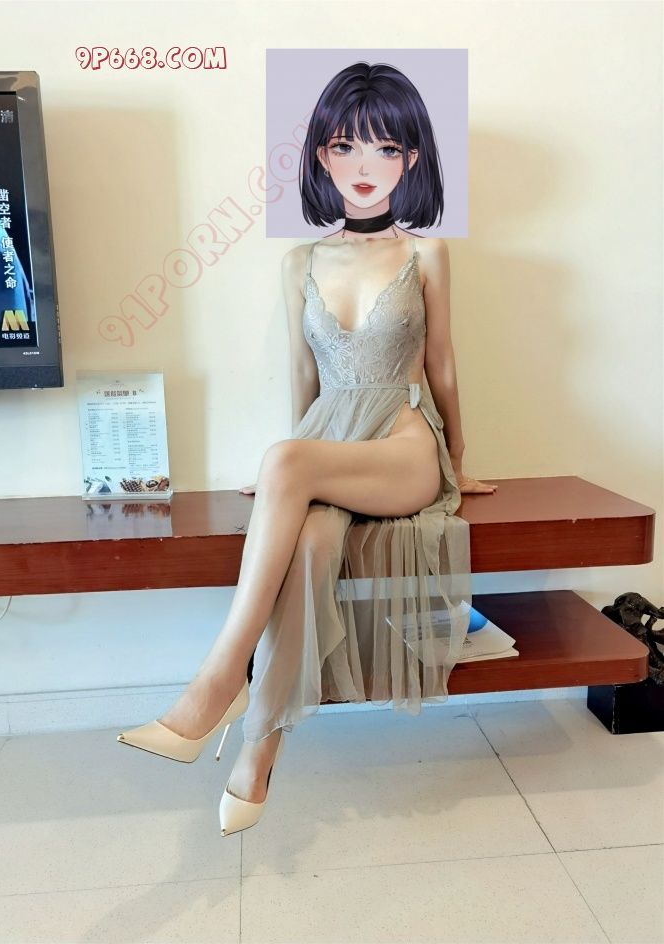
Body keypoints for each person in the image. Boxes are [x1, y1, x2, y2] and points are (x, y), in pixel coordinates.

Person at [117, 62, 497, 837]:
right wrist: (292, 475)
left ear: (411, 159)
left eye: (385, 148)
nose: (365, 166)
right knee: (313, 544)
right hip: (330, 443)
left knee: (286, 461)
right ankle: (258, 752)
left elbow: (445, 365)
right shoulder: (299, 262)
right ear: (321, 154)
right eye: (345, 146)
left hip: (403, 442)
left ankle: (218, 680)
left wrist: (459, 462)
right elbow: (304, 376)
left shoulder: (426, 252)